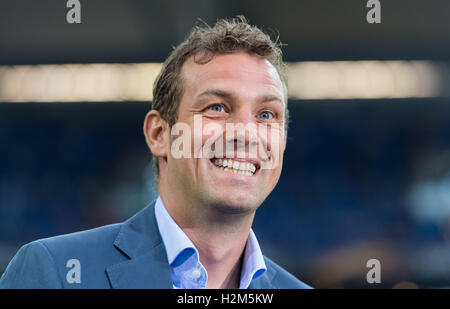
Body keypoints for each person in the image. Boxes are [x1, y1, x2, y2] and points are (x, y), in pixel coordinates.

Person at [0, 16, 310, 289]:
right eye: (217, 107)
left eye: (267, 115)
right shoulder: (54, 272)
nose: (246, 133)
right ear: (159, 134)